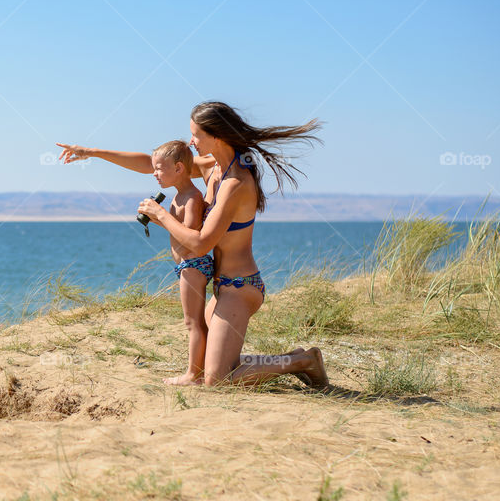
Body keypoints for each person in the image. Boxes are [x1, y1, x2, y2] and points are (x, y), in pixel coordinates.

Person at [59, 101, 329, 389]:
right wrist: (90, 152)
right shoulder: (213, 167)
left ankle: (305, 361)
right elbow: (151, 162)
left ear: (217, 136)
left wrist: (160, 214)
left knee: (217, 380)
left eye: (196, 135)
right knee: (222, 364)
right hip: (220, 289)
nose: (191, 142)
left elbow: (201, 244)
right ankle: (293, 357)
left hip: (240, 287)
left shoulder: (236, 182)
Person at [58, 139, 213, 385]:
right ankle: (197, 370)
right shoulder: (180, 195)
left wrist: (159, 215)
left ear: (179, 168)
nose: (154, 174)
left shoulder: (191, 196)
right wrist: (155, 218)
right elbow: (179, 231)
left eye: (159, 169)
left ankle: (193, 375)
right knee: (193, 320)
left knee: (192, 321)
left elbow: (190, 234)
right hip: (187, 265)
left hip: (193, 266)